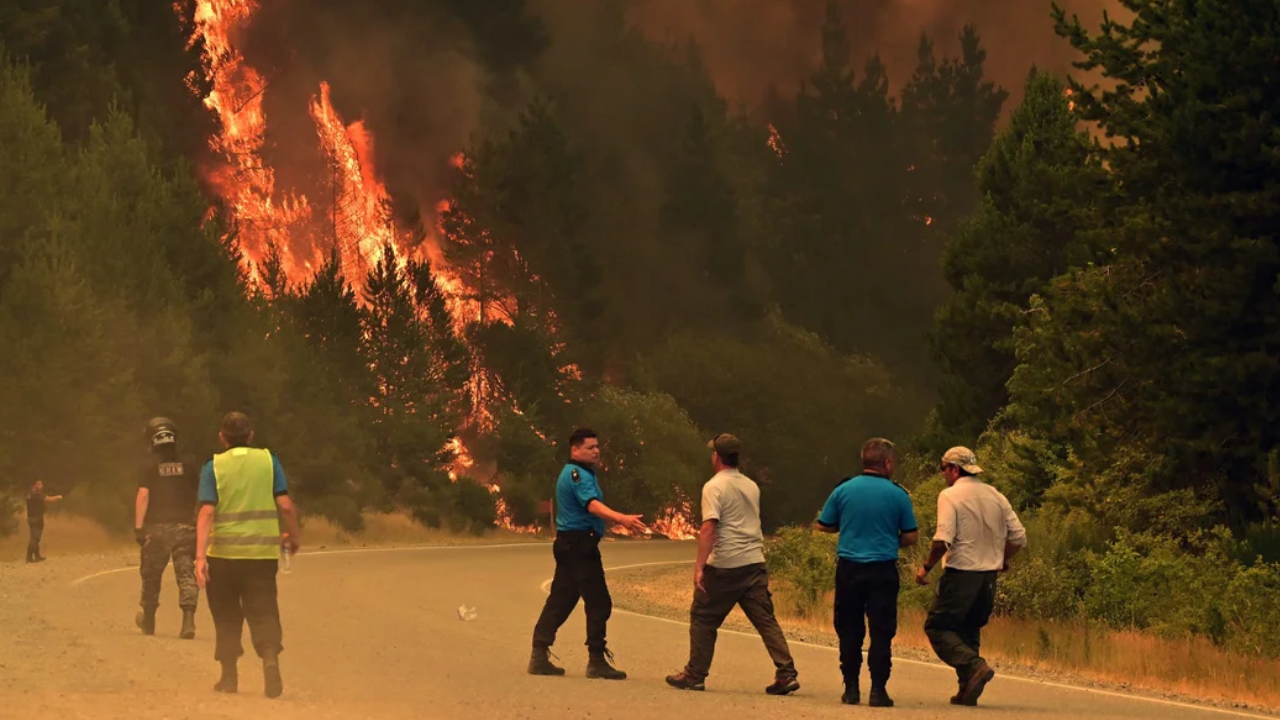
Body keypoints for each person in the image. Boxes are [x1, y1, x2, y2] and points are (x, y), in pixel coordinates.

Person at [665, 433, 800, 696]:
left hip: (725, 565)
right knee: (765, 621)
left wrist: (700, 567)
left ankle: (695, 674)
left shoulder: (714, 486)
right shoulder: (750, 485)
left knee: (703, 617)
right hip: (754, 562)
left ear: (716, 456)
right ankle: (786, 673)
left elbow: (709, 528)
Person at [194, 412, 301, 699]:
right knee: (264, 608)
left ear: (222, 437)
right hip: (261, 555)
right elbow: (286, 505)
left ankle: (229, 677)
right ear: (251, 435)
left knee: (226, 615)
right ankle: (269, 658)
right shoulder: (269, 460)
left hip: (222, 556)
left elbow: (206, 512)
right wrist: (294, 536)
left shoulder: (213, 466)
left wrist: (200, 558)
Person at [528, 428, 648, 680]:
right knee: (598, 601)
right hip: (579, 546)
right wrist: (621, 518)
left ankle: (538, 654)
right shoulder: (577, 474)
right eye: (590, 447)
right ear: (575, 450)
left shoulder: (580, 473)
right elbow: (591, 506)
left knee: (562, 599)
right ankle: (596, 661)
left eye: (597, 446)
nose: (596, 450)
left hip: (571, 544)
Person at [915, 446, 1027, 707]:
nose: (942, 474)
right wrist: (1003, 559)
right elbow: (1019, 536)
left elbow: (942, 539)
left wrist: (925, 568)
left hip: (961, 573)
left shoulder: (950, 495)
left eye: (943, 469)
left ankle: (974, 665)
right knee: (969, 629)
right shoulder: (995, 495)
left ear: (954, 469)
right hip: (988, 577)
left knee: (938, 626)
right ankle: (967, 689)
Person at [816, 438, 918, 707]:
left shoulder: (843, 490)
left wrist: (847, 526)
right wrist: (890, 538)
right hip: (883, 570)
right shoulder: (899, 494)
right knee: (881, 630)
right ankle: (878, 690)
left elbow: (824, 524)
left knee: (849, 628)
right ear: (886, 463)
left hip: (849, 568)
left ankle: (851, 688)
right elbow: (911, 536)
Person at [135, 417, 201, 639]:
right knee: (186, 573)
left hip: (157, 528)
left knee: (151, 575)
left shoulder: (148, 466)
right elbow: (200, 496)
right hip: (185, 527)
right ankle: (188, 620)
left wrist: (138, 527)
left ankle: (149, 620)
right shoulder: (190, 464)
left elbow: (143, 496)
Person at [24, 480, 63, 563]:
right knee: (35, 538)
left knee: (35, 538)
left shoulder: (30, 494)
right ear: (34, 486)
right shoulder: (36, 494)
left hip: (32, 518)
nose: (41, 485)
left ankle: (36, 556)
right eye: (38, 484)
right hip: (36, 518)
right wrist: (58, 497)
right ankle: (29, 557)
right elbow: (49, 499)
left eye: (41, 484)